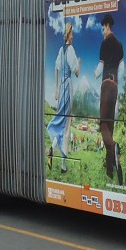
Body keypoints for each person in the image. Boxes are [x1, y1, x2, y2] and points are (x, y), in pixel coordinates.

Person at [96, 12, 126, 187]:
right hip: (115, 86)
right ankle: (110, 168)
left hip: (106, 84)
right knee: (111, 125)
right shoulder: (120, 44)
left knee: (102, 124)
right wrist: (116, 81)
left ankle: (114, 146)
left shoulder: (105, 43)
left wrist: (94, 74)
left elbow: (100, 69)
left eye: (102, 28)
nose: (102, 31)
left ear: (107, 25)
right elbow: (122, 69)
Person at [47, 21, 80, 173]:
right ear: (68, 34)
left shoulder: (61, 50)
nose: (73, 36)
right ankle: (63, 165)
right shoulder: (71, 50)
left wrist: (56, 89)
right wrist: (79, 62)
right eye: (72, 33)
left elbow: (56, 67)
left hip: (61, 86)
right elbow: (77, 73)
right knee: (66, 126)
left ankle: (53, 148)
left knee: (61, 122)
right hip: (68, 86)